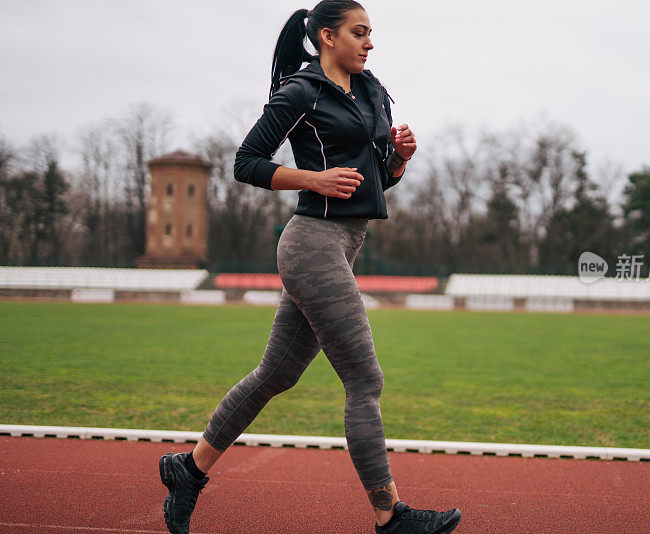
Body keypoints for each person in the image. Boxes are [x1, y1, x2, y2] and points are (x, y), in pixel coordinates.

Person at [158, 2, 462, 533]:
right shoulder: (301, 91)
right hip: (311, 245)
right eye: (359, 33)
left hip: (346, 241)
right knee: (365, 380)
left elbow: (373, 184)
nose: (369, 43)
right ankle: (390, 516)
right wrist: (311, 179)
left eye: (371, 34)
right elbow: (246, 162)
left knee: (276, 374)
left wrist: (398, 160)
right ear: (327, 36)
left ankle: (189, 469)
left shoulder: (370, 92)